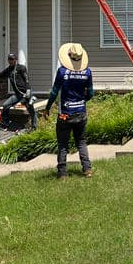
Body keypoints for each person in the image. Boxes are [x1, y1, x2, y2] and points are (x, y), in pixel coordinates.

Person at [45, 43, 94, 179]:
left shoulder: (62, 72)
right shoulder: (87, 72)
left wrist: (47, 108)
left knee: (63, 144)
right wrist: (82, 100)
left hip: (65, 113)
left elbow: (54, 92)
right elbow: (90, 93)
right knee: (81, 142)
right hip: (81, 112)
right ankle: (87, 169)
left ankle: (62, 173)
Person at [0, 52, 37, 129]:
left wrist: (28, 91)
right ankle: (5, 123)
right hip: (17, 94)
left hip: (25, 93)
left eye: (12, 59)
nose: (10, 61)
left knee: (30, 109)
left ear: (16, 60)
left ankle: (34, 126)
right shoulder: (9, 70)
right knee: (6, 105)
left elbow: (27, 80)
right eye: (9, 59)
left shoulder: (21, 68)